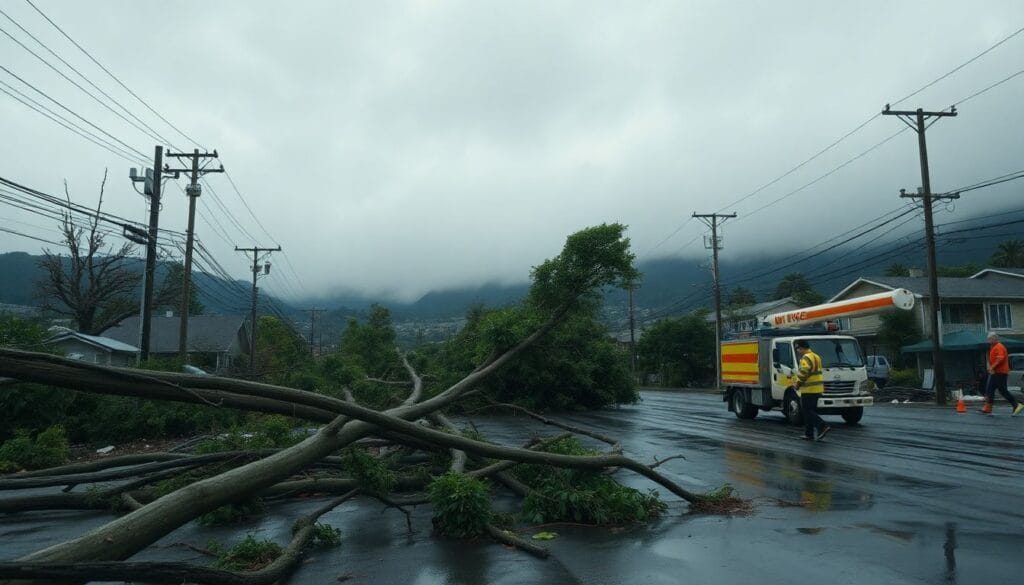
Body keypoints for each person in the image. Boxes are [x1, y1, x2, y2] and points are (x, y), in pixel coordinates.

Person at [795, 340, 831, 440]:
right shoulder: (816, 356)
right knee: (810, 410)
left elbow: (804, 372)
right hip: (817, 388)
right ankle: (809, 433)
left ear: (802, 348)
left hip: (809, 388)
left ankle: (822, 426)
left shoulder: (805, 358)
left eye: (798, 349)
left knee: (807, 411)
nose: (798, 351)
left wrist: (798, 383)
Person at [981, 332, 1024, 416]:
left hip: (1000, 372)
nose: (988, 340)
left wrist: (992, 367)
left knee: (1002, 390)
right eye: (988, 339)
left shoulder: (999, 346)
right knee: (990, 389)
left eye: (990, 339)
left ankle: (1016, 405)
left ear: (995, 338)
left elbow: (1000, 358)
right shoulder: (994, 347)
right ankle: (988, 408)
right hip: (996, 372)